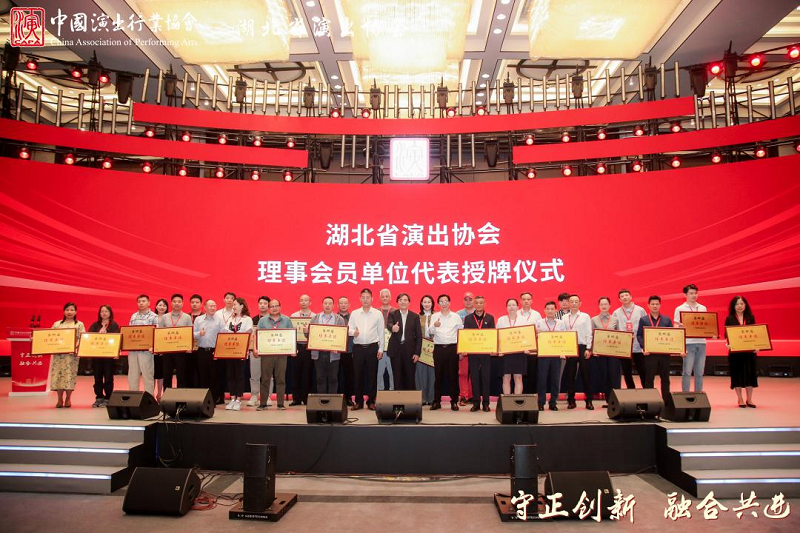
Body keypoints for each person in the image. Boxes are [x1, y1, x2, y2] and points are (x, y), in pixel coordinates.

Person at [348, 289, 385, 410]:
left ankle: (371, 401)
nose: (365, 299)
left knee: (372, 376)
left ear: (372, 299)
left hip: (372, 348)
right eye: (363, 297)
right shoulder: (354, 313)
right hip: (358, 348)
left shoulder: (377, 314)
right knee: (357, 375)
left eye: (367, 297)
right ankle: (358, 401)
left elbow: (381, 332)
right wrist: (353, 332)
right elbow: (348, 329)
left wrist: (381, 349)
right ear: (360, 299)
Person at [637, 295, 679, 403]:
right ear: (648, 305)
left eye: (657, 304)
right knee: (649, 378)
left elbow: (672, 335)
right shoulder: (643, 319)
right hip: (650, 354)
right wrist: (644, 347)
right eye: (652, 304)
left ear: (660, 305)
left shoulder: (666, 319)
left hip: (664, 354)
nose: (655, 306)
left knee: (665, 378)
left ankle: (666, 401)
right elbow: (639, 335)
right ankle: (650, 401)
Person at [256, 299, 294, 411]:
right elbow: (257, 336)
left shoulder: (287, 320)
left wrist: (293, 349)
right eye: (272, 306)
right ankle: (263, 403)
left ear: (280, 307)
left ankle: (280, 403)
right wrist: (256, 349)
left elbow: (291, 335)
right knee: (265, 379)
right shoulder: (263, 320)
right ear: (269, 308)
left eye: (276, 306)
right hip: (266, 354)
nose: (274, 308)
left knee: (281, 379)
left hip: (282, 354)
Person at [428, 294, 463, 411]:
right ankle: (436, 401)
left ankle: (454, 401)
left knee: (453, 376)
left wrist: (461, 350)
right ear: (438, 304)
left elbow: (461, 334)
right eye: (441, 302)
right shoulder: (434, 316)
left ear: (449, 302)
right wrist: (434, 326)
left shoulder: (456, 316)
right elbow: (429, 332)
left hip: (452, 348)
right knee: (438, 376)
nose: (444, 303)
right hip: (438, 348)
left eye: (446, 301)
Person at [674, 284, 711, 392]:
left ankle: (698, 394)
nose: (694, 295)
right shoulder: (680, 309)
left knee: (699, 372)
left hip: (701, 342)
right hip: (688, 343)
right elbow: (676, 325)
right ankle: (685, 395)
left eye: (695, 293)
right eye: (691, 293)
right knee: (687, 372)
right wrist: (680, 327)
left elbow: (707, 324)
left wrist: (711, 332)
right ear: (685, 295)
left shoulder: (703, 308)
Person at [49, 302, 86, 408]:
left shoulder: (79, 324)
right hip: (58, 355)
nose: (69, 312)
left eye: (72, 310)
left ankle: (68, 398)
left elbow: (83, 337)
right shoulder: (57, 324)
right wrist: (36, 339)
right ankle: (59, 399)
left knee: (69, 376)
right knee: (58, 376)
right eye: (67, 310)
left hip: (71, 356)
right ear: (64, 311)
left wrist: (75, 347)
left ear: (76, 312)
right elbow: (49, 336)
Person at [462, 296, 495, 412]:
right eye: (477, 303)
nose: (479, 305)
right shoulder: (468, 318)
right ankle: (476, 403)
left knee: (486, 378)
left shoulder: (490, 318)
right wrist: (464, 348)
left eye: (481, 303)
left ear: (484, 304)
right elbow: (466, 335)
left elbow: (492, 335)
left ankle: (486, 403)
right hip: (473, 352)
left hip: (485, 352)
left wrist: (493, 348)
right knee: (474, 377)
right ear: (474, 304)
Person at [725, 296, 759, 408]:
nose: (739, 306)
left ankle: (749, 399)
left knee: (750, 374)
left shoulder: (750, 317)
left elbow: (755, 333)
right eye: (737, 304)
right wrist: (728, 344)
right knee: (737, 375)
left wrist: (757, 345)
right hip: (735, 352)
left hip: (749, 352)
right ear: (733, 306)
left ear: (745, 305)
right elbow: (727, 334)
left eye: (742, 303)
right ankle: (740, 399)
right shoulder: (730, 318)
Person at [309, 297, 347, 394]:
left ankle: (332, 401)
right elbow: (310, 336)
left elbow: (342, 336)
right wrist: (306, 332)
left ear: (333, 306)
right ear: (322, 305)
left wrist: (338, 347)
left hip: (333, 354)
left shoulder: (339, 319)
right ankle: (322, 400)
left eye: (330, 303)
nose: (327, 305)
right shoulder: (315, 318)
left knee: (333, 378)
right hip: (318, 353)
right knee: (320, 378)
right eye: (325, 303)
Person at [220, 297, 253, 411]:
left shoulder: (247, 319)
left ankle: (238, 399)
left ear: (241, 306)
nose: (233, 306)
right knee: (230, 375)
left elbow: (248, 334)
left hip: (241, 351)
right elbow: (226, 333)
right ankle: (232, 398)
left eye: (235, 304)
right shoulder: (231, 319)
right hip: (230, 351)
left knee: (239, 375)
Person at [562, 294, 594, 410]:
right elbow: (563, 333)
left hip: (582, 347)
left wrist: (588, 348)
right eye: (571, 301)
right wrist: (564, 349)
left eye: (576, 301)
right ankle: (571, 400)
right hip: (570, 348)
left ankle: (589, 400)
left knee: (586, 374)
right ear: (568, 303)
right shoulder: (564, 317)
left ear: (580, 303)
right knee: (570, 375)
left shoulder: (585, 316)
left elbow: (589, 332)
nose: (574, 304)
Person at [387, 293, 422, 391]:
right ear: (397, 302)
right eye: (400, 300)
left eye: (405, 300)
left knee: (410, 376)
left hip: (410, 351)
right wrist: (393, 327)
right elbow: (389, 324)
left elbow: (419, 336)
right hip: (396, 350)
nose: (403, 302)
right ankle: (398, 399)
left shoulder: (415, 316)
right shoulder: (393, 314)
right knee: (397, 377)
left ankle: (410, 399)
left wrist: (417, 353)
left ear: (409, 302)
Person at [612, 289, 647, 388]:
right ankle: (631, 391)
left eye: (626, 295)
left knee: (643, 371)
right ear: (619, 299)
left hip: (638, 346)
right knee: (627, 372)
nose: (625, 297)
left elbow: (645, 326)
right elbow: (614, 329)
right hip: (624, 348)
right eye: (622, 296)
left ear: (631, 296)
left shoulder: (640, 310)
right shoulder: (616, 313)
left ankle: (646, 391)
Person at [496, 298, 531, 396]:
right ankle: (507, 401)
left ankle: (517, 400)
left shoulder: (523, 320)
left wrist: (527, 347)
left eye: (514, 305)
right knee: (506, 378)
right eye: (509, 305)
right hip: (505, 353)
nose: (511, 307)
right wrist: (499, 349)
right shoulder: (501, 320)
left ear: (518, 307)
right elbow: (497, 336)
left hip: (519, 353)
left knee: (518, 377)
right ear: (506, 308)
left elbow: (527, 336)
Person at [193, 300, 225, 404]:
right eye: (210, 306)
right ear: (205, 307)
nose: (213, 308)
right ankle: (204, 399)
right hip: (202, 351)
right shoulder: (198, 319)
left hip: (214, 351)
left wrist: (218, 350)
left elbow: (223, 336)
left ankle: (214, 399)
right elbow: (192, 334)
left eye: (214, 306)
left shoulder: (220, 320)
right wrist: (199, 333)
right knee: (203, 376)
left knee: (215, 376)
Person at [536, 301, 567, 411]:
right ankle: (541, 402)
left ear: (555, 310)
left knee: (555, 379)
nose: (550, 311)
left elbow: (564, 338)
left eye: (552, 309)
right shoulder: (539, 323)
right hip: (543, 355)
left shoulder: (561, 323)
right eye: (548, 309)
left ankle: (553, 402)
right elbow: (535, 337)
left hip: (556, 355)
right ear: (544, 310)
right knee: (542, 379)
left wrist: (564, 351)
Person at [88, 305, 120, 407]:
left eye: (106, 311)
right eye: (102, 311)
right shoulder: (95, 325)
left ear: (110, 313)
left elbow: (117, 339)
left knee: (108, 377)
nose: (104, 313)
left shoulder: (114, 325)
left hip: (108, 357)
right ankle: (99, 397)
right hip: (97, 356)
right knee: (97, 377)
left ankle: (108, 398)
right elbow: (89, 338)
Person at [158, 294, 192, 389]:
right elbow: (160, 333)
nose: (177, 303)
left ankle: (180, 396)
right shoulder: (165, 317)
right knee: (167, 375)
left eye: (179, 301)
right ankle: (166, 396)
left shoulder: (187, 317)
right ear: (171, 303)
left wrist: (189, 346)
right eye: (174, 301)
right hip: (167, 351)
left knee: (181, 376)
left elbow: (190, 332)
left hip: (181, 351)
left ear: (182, 303)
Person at [591, 297, 620, 408]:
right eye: (602, 304)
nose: (604, 306)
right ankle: (608, 400)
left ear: (609, 306)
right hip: (600, 354)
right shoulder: (594, 320)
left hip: (613, 353)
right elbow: (592, 336)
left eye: (606, 304)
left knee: (614, 376)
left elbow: (620, 335)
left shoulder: (615, 320)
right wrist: (593, 350)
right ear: (599, 306)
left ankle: (615, 400)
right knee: (604, 376)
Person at [128, 295, 159, 394]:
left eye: (143, 301)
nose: (141, 303)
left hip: (146, 351)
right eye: (139, 301)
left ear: (149, 303)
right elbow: (129, 332)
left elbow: (157, 333)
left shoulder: (154, 316)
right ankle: (133, 397)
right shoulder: (133, 316)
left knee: (147, 375)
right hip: (133, 350)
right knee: (132, 375)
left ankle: (149, 399)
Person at [290, 294, 315, 406]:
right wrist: (292, 348)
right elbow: (290, 334)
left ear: (310, 302)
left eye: (306, 300)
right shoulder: (293, 316)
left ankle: (306, 398)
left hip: (309, 347)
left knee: (307, 373)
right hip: (297, 347)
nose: (303, 302)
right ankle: (296, 398)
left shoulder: (314, 316)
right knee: (296, 373)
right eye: (301, 300)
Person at [248, 296, 273, 407]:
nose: (262, 305)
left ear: (269, 305)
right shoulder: (252, 320)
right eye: (260, 303)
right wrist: (252, 348)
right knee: (254, 374)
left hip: (268, 351)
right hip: (255, 350)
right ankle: (254, 396)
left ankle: (267, 396)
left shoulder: (273, 319)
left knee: (268, 375)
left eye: (265, 303)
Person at [212, 292, 236, 404]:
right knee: (219, 372)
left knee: (231, 373)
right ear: (223, 299)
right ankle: (219, 396)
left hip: (233, 346)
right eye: (227, 298)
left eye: (232, 298)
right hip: (220, 346)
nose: (229, 300)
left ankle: (234, 396)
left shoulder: (237, 313)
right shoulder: (217, 313)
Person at [519, 292, 543, 396]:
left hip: (532, 349)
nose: (526, 301)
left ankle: (531, 396)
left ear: (532, 301)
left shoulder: (536, 314)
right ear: (520, 301)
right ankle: (519, 395)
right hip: (519, 348)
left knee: (532, 373)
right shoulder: (516, 313)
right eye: (524, 299)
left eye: (528, 299)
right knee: (520, 374)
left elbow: (540, 330)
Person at [455, 291, 475, 406]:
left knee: (474, 372)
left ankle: (472, 395)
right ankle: (463, 395)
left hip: (476, 346)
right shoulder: (458, 315)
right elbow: (456, 332)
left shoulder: (479, 313)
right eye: (466, 299)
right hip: (462, 346)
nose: (468, 302)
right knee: (463, 373)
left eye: (470, 299)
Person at [417, 295, 437, 406]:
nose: (427, 304)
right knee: (420, 373)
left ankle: (432, 398)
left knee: (433, 374)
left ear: (432, 303)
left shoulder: (437, 316)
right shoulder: (417, 316)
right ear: (421, 303)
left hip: (434, 347)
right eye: (424, 302)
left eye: (429, 302)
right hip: (421, 347)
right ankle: (422, 398)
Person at [338, 296, 356, 407]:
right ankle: (337, 398)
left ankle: (348, 398)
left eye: (345, 303)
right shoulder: (333, 318)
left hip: (349, 350)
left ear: (349, 305)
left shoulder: (354, 317)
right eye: (341, 303)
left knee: (349, 376)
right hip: (336, 351)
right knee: (336, 376)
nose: (343, 305)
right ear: (338, 305)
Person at [377, 288, 395, 392]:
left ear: (390, 297)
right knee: (378, 373)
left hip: (392, 348)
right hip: (379, 347)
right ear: (380, 298)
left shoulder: (396, 311)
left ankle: (393, 393)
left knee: (393, 372)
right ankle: (379, 393)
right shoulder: (375, 311)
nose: (385, 298)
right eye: (383, 296)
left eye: (387, 296)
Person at [153, 298, 168, 401]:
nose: (162, 307)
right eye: (160, 305)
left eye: (164, 305)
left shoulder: (168, 318)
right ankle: (151, 394)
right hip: (152, 351)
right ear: (156, 306)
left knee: (161, 374)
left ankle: (159, 394)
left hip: (164, 350)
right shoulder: (152, 318)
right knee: (152, 374)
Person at [187, 294, 204, 387]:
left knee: (200, 371)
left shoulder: (204, 316)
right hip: (188, 348)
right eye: (192, 302)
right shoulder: (186, 316)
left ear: (201, 304)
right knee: (189, 371)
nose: (194, 304)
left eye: (197, 302)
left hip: (200, 347)